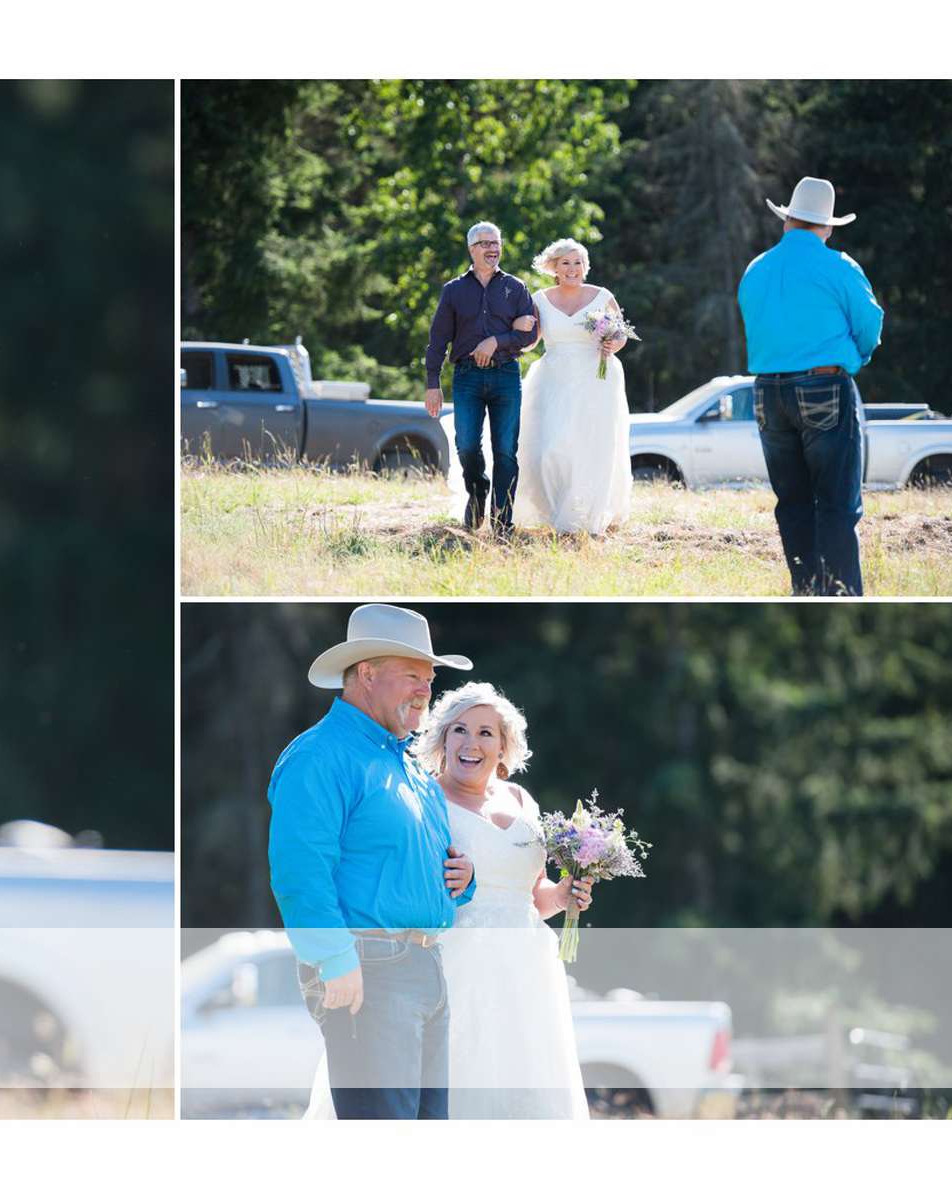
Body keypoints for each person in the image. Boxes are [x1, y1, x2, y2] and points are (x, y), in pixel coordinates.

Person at [306, 682, 594, 1120]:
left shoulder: (523, 802)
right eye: (459, 730)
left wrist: (564, 894)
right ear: (442, 740)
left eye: (485, 733)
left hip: (525, 976)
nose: (471, 743)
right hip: (453, 965)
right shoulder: (423, 799)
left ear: (503, 746)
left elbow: (532, 896)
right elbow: (401, 880)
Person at [268, 603, 477, 1120]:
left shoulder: (406, 761)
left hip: (426, 967)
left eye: (429, 680)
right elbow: (300, 870)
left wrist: (463, 881)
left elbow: (425, 862)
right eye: (412, 676)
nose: (425, 692)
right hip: (368, 967)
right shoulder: (319, 756)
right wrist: (333, 958)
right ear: (366, 674)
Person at [739, 175, 884, 596]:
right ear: (828, 226)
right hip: (823, 385)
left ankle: (805, 588)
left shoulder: (756, 268)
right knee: (836, 503)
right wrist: (853, 359)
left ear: (787, 221)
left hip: (767, 390)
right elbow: (870, 325)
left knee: (793, 501)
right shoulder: (838, 266)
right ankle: (839, 593)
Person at [424, 222, 542, 536]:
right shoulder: (454, 290)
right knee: (465, 446)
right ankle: (477, 491)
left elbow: (529, 333)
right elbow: (438, 340)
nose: (492, 248)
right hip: (467, 378)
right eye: (485, 243)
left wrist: (497, 341)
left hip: (505, 375)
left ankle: (502, 521)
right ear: (471, 249)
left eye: (496, 242)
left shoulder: (515, 287)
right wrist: (432, 383)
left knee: (505, 449)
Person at [512, 238, 633, 536]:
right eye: (565, 263)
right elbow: (532, 342)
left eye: (577, 262)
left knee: (592, 447)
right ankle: (555, 509)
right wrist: (514, 333)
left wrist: (613, 343)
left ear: (585, 266)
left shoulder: (602, 296)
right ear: (554, 267)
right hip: (553, 379)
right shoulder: (539, 299)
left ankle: (586, 519)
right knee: (549, 447)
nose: (572, 268)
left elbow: (621, 336)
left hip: (597, 379)